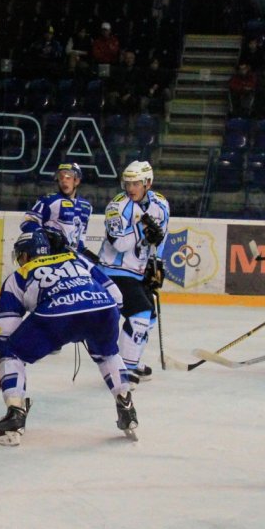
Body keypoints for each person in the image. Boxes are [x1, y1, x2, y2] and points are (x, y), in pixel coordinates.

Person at [0, 230, 136, 445]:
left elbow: (5, 329)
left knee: (11, 353)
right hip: (104, 309)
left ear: (25, 255)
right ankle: (126, 407)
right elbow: (117, 297)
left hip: (56, 316)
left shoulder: (19, 276)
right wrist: (86, 318)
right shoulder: (76, 259)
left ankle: (14, 417)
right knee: (107, 354)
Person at [98, 160, 169, 384]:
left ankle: (132, 359)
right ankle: (124, 368)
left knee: (150, 317)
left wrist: (156, 263)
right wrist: (142, 230)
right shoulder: (116, 207)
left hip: (137, 272)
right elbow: (119, 244)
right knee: (140, 314)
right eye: (127, 183)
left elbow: (162, 235)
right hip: (113, 271)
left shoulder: (160, 204)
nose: (130, 188)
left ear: (148, 183)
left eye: (136, 183)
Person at [20, 162, 92, 255]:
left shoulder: (86, 206)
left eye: (68, 177)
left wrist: (85, 253)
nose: (64, 180)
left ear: (76, 181)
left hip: (71, 258)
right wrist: (45, 236)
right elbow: (26, 223)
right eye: (61, 177)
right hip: (50, 256)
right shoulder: (49, 200)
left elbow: (80, 239)